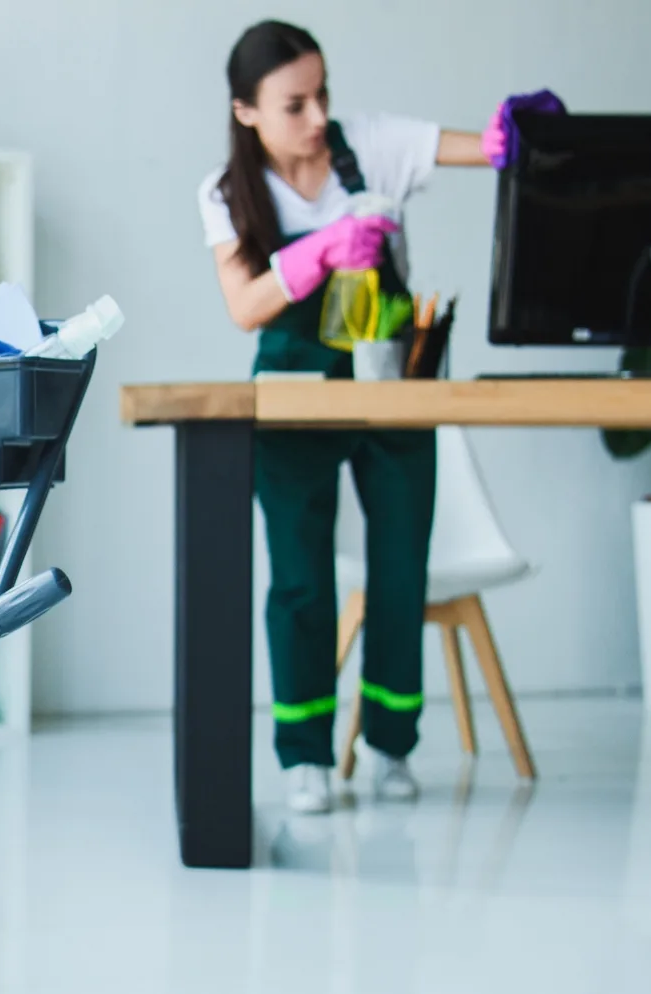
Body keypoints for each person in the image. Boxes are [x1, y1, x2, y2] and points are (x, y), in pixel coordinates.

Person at [197, 19, 555, 813]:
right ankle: (304, 756)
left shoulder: (371, 146)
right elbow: (246, 305)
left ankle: (392, 744)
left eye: (322, 93)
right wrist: (316, 253)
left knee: (402, 565)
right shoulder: (227, 193)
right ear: (247, 110)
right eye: (294, 103)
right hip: (292, 388)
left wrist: (514, 134)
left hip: (394, 382)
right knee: (299, 576)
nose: (317, 116)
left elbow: (484, 150)